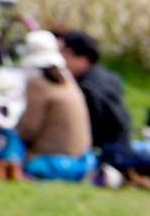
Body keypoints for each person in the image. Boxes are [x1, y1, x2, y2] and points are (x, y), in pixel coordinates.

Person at [60, 30, 150, 185]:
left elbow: (90, 130)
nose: (62, 61)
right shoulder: (107, 76)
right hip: (122, 142)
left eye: (65, 55)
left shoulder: (86, 88)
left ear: (83, 58)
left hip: (106, 150)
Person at [16, 30, 94, 177]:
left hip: (52, 159)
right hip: (80, 158)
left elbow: (28, 130)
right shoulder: (67, 79)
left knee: (8, 138)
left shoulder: (38, 85)